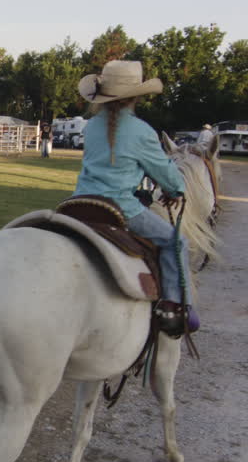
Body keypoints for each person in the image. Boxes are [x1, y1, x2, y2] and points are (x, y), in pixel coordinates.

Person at [72, 60, 196, 337]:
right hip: (120, 208)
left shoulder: (91, 126)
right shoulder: (141, 131)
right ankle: (175, 304)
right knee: (175, 241)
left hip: (78, 204)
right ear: (137, 96)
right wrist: (175, 189)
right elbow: (164, 171)